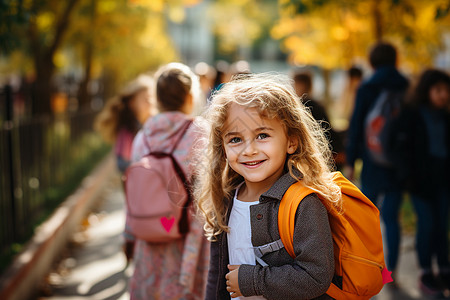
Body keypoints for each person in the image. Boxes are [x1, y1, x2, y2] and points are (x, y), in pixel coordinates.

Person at [195, 73, 340, 299]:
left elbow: (316, 276)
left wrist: (251, 280)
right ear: (222, 146)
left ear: (291, 141)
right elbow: (217, 273)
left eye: (262, 135)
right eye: (235, 139)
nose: (249, 150)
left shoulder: (303, 204)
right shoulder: (225, 199)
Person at [126, 63, 209, 300]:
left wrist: (128, 236)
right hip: (189, 234)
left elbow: (135, 192)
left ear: (156, 99)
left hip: (149, 231)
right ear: (190, 97)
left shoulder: (142, 137)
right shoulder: (201, 132)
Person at [345, 42, 408, 283]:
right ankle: (390, 273)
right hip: (398, 164)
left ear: (372, 62)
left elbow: (357, 124)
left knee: (367, 219)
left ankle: (371, 268)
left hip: (372, 162)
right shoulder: (405, 87)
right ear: (395, 60)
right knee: (391, 218)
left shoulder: (367, 87)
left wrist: (351, 161)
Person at [393, 69, 450, 295]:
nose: (443, 95)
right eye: (438, 90)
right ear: (426, 91)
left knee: (441, 226)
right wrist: (408, 178)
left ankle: (444, 268)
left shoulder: (445, 116)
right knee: (426, 225)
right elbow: (401, 150)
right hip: (420, 183)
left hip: (443, 180)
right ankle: (425, 270)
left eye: (446, 90)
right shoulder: (411, 115)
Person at [95, 74, 156, 175]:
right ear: (132, 103)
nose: (150, 103)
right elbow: (122, 163)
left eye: (151, 99)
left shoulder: (149, 124)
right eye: (146, 99)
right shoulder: (127, 129)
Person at [293, 72, 345, 169]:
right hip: (331, 151)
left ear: (301, 84)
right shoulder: (316, 104)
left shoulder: (304, 106)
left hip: (323, 154)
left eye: (294, 84)